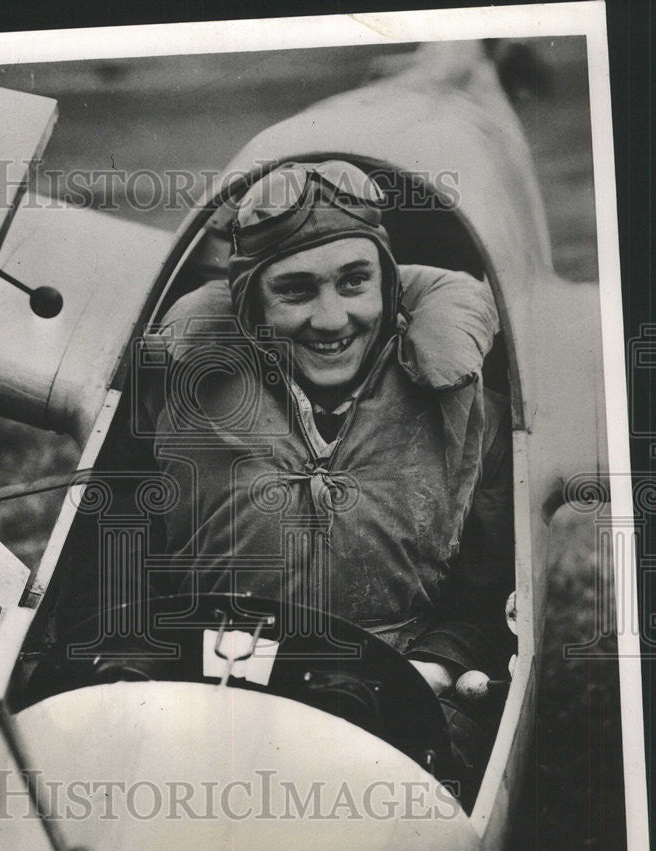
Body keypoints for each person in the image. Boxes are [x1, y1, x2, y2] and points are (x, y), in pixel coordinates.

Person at [56, 161, 515, 797]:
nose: (332, 321)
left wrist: (434, 668)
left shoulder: (476, 418)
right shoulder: (170, 398)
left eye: (355, 282)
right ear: (249, 307)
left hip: (404, 698)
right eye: (296, 292)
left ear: (389, 286)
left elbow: (486, 593)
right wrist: (131, 658)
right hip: (202, 679)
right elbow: (109, 558)